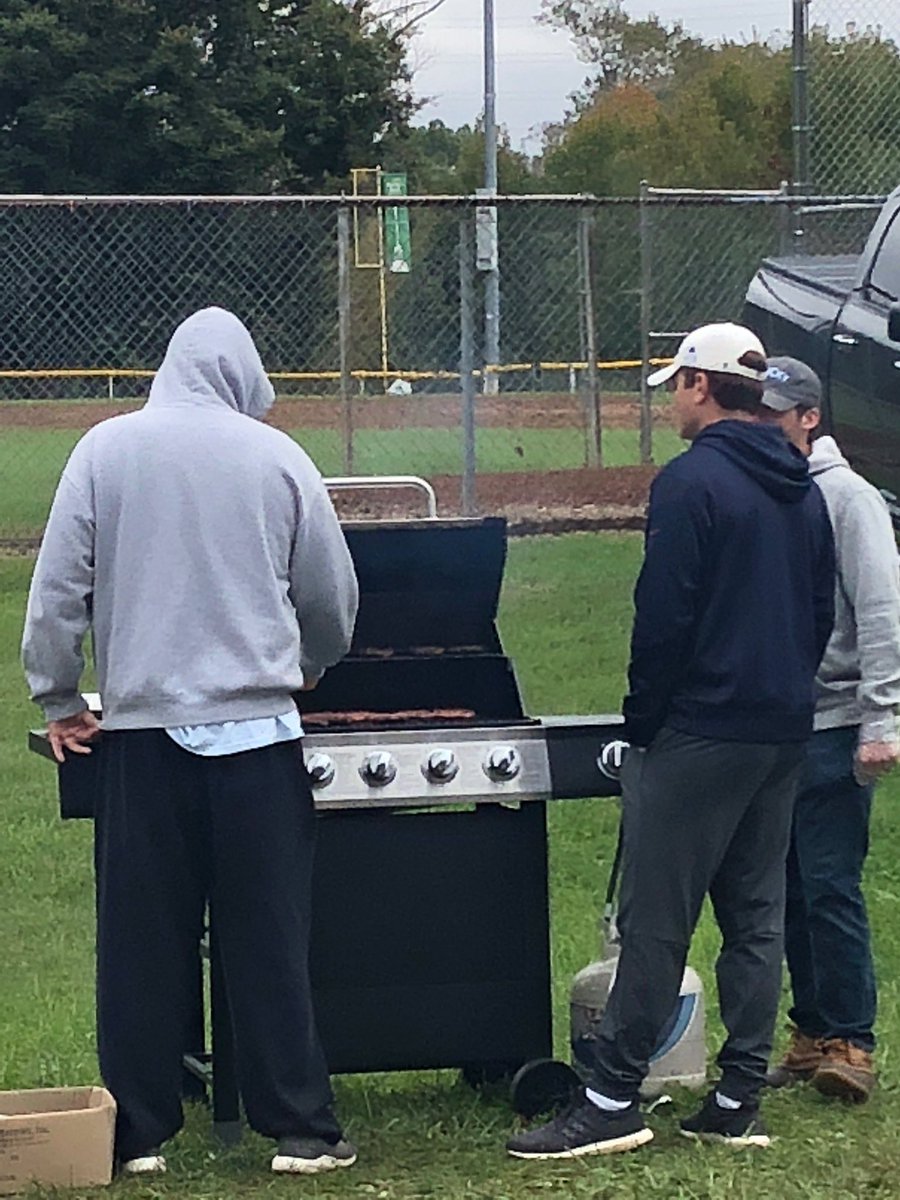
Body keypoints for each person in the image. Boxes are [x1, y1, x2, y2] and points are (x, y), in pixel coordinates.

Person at [22, 307, 359, 1177]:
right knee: (269, 939)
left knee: (141, 943)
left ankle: (138, 1132)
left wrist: (59, 696)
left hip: (141, 742)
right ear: (243, 378)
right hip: (258, 744)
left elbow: (57, 590)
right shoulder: (278, 458)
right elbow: (331, 595)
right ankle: (301, 1127)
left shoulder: (104, 451)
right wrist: (309, 665)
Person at [507, 323, 835, 1162]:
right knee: (756, 917)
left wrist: (644, 722)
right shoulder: (801, 485)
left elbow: (663, 617)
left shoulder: (691, 483)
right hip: (780, 730)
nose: (671, 404)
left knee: (656, 920)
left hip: (701, 729)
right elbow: (818, 613)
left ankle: (611, 1098)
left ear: (701, 385)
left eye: (677, 386)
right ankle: (736, 1098)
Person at [757, 357, 900, 1102]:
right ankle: (810, 1033)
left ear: (809, 417)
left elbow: (881, 611)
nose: (764, 424)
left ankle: (853, 1041)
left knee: (830, 885)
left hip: (839, 724)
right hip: (780, 725)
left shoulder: (849, 498)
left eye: (776, 413)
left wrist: (882, 719)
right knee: (785, 887)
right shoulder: (770, 491)